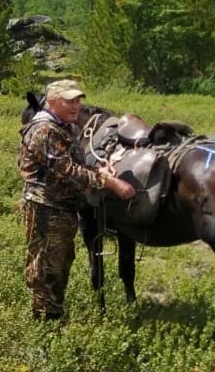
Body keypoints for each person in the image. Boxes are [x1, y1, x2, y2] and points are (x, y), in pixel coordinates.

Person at [18, 79, 136, 321]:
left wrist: (102, 168)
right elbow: (67, 171)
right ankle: (45, 327)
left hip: (61, 210)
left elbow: (77, 163)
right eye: (69, 101)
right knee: (46, 269)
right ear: (52, 102)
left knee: (59, 265)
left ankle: (53, 318)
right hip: (46, 209)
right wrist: (109, 182)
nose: (76, 106)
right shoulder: (44, 130)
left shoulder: (64, 127)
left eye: (78, 100)